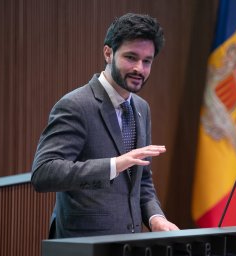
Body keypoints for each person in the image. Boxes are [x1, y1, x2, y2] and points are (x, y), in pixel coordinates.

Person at [31, 13, 179, 238]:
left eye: (147, 61)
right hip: (80, 250)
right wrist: (113, 165)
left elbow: (142, 179)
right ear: (108, 53)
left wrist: (155, 218)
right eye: (131, 57)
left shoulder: (141, 107)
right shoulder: (76, 105)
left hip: (128, 250)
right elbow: (44, 173)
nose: (139, 68)